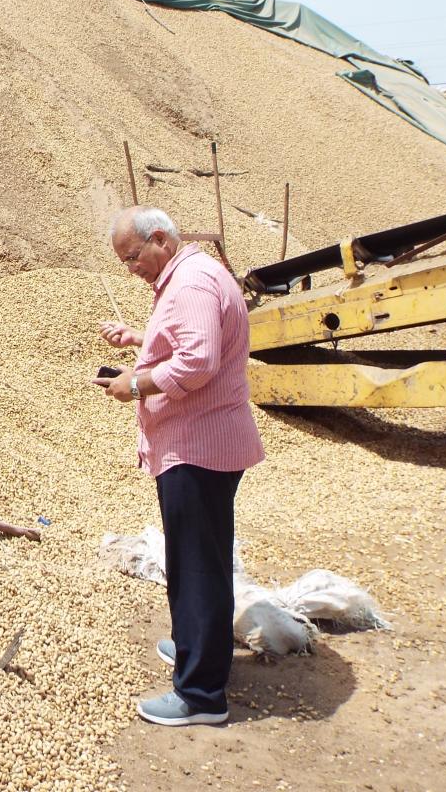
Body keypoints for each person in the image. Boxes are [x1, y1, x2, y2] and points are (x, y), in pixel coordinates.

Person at [95, 205, 264, 727]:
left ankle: (201, 695)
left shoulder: (189, 283)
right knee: (202, 559)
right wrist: (140, 341)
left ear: (160, 238)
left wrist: (136, 383)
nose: (132, 269)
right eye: (124, 261)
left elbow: (196, 361)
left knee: (196, 567)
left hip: (198, 446)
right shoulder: (194, 275)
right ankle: (197, 644)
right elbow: (188, 342)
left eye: (133, 256)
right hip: (201, 443)